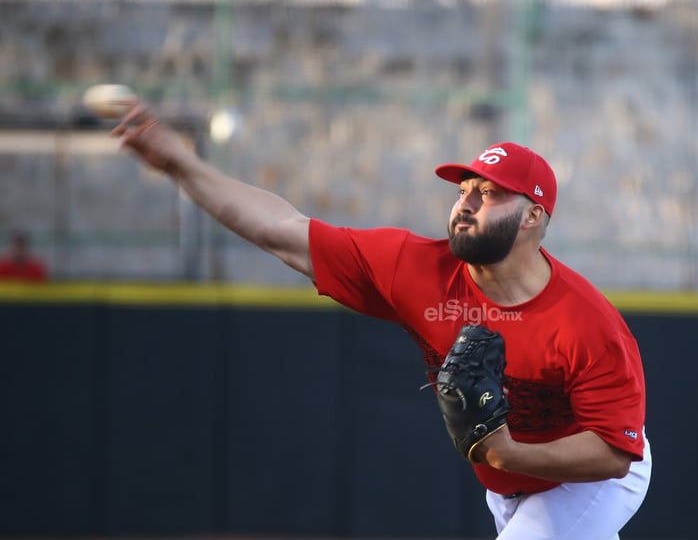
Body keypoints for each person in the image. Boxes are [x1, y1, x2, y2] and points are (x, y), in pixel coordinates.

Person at [114, 103, 652, 540]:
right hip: (507, 485)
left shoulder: (586, 324)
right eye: (463, 189)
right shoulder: (416, 268)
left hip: (592, 478)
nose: (465, 204)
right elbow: (282, 229)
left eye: (488, 194)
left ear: (533, 216)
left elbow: (613, 453)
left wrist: (510, 452)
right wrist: (181, 164)